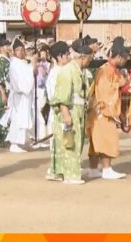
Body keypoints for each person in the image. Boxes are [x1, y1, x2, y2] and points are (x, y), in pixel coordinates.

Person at [50, 39, 93, 185]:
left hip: (79, 109)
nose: (90, 61)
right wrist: (65, 114)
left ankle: (68, 171)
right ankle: (70, 175)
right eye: (89, 58)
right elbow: (63, 95)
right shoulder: (67, 70)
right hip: (70, 109)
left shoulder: (80, 71)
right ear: (82, 57)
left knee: (77, 142)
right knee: (70, 143)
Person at [87, 41, 128, 180]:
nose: (125, 61)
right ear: (119, 57)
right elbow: (105, 91)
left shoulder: (110, 70)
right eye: (125, 58)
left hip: (100, 110)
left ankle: (93, 169)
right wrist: (119, 84)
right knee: (107, 139)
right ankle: (106, 168)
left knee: (96, 141)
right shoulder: (105, 70)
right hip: (103, 110)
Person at [0, 38, 36, 153]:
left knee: (25, 117)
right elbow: (17, 81)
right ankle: (14, 143)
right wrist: (31, 68)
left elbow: (28, 74)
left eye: (22, 49)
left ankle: (23, 141)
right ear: (14, 51)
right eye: (18, 50)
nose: (21, 52)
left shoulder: (23, 62)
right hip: (19, 95)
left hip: (26, 95)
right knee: (18, 119)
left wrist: (32, 67)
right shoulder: (14, 64)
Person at [45, 41, 69, 181]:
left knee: (65, 141)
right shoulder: (56, 73)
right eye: (66, 54)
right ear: (59, 57)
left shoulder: (63, 71)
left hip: (64, 110)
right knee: (58, 142)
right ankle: (55, 170)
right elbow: (55, 96)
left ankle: (63, 168)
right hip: (59, 111)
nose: (69, 57)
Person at [33, 45, 52, 148]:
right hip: (36, 89)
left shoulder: (48, 64)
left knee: (43, 112)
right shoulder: (35, 64)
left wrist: (43, 68)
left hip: (44, 89)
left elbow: (47, 76)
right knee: (38, 112)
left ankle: (44, 135)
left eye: (45, 53)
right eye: (42, 53)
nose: (43, 55)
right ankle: (39, 135)